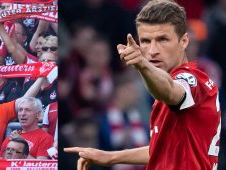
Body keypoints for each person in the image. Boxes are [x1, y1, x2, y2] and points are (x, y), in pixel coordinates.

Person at [65, 0, 221, 169]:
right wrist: (109, 157)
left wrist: (141, 63)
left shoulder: (192, 80)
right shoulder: (166, 87)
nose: (153, 50)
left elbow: (170, 91)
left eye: (163, 39)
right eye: (146, 41)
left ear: (183, 41)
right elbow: (163, 149)